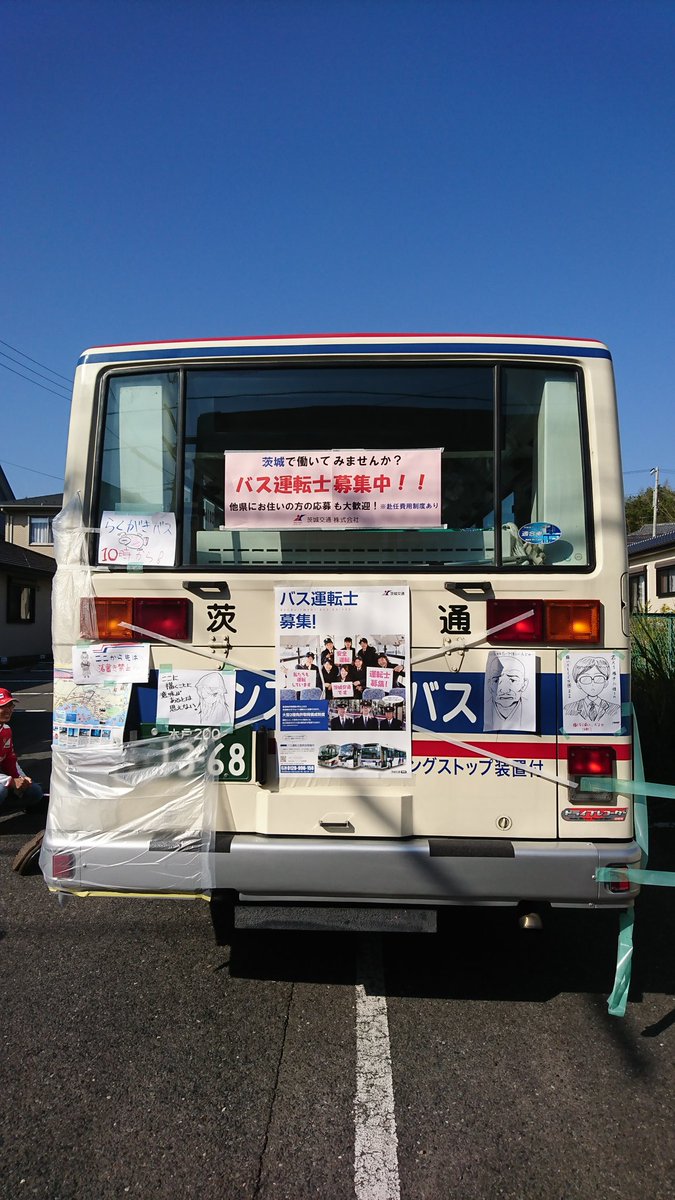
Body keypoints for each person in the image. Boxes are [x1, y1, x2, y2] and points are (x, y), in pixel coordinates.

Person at [0, 688, 44, 814]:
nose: (8, 710)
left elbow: (10, 759)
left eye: (10, 706)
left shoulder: (6, 730)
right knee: (1, 790)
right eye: (3, 706)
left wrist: (22, 778)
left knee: (34, 791)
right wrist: (10, 781)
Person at [565, 656, 621, 722]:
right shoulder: (569, 708)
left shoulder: (615, 708)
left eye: (598, 678)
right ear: (578, 684)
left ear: (606, 683)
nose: (592, 683)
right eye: (585, 678)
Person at [485, 654, 529, 730]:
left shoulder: (530, 710)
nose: (504, 691)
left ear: (524, 685)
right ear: (489, 685)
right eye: (497, 681)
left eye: (513, 680)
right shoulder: (482, 709)